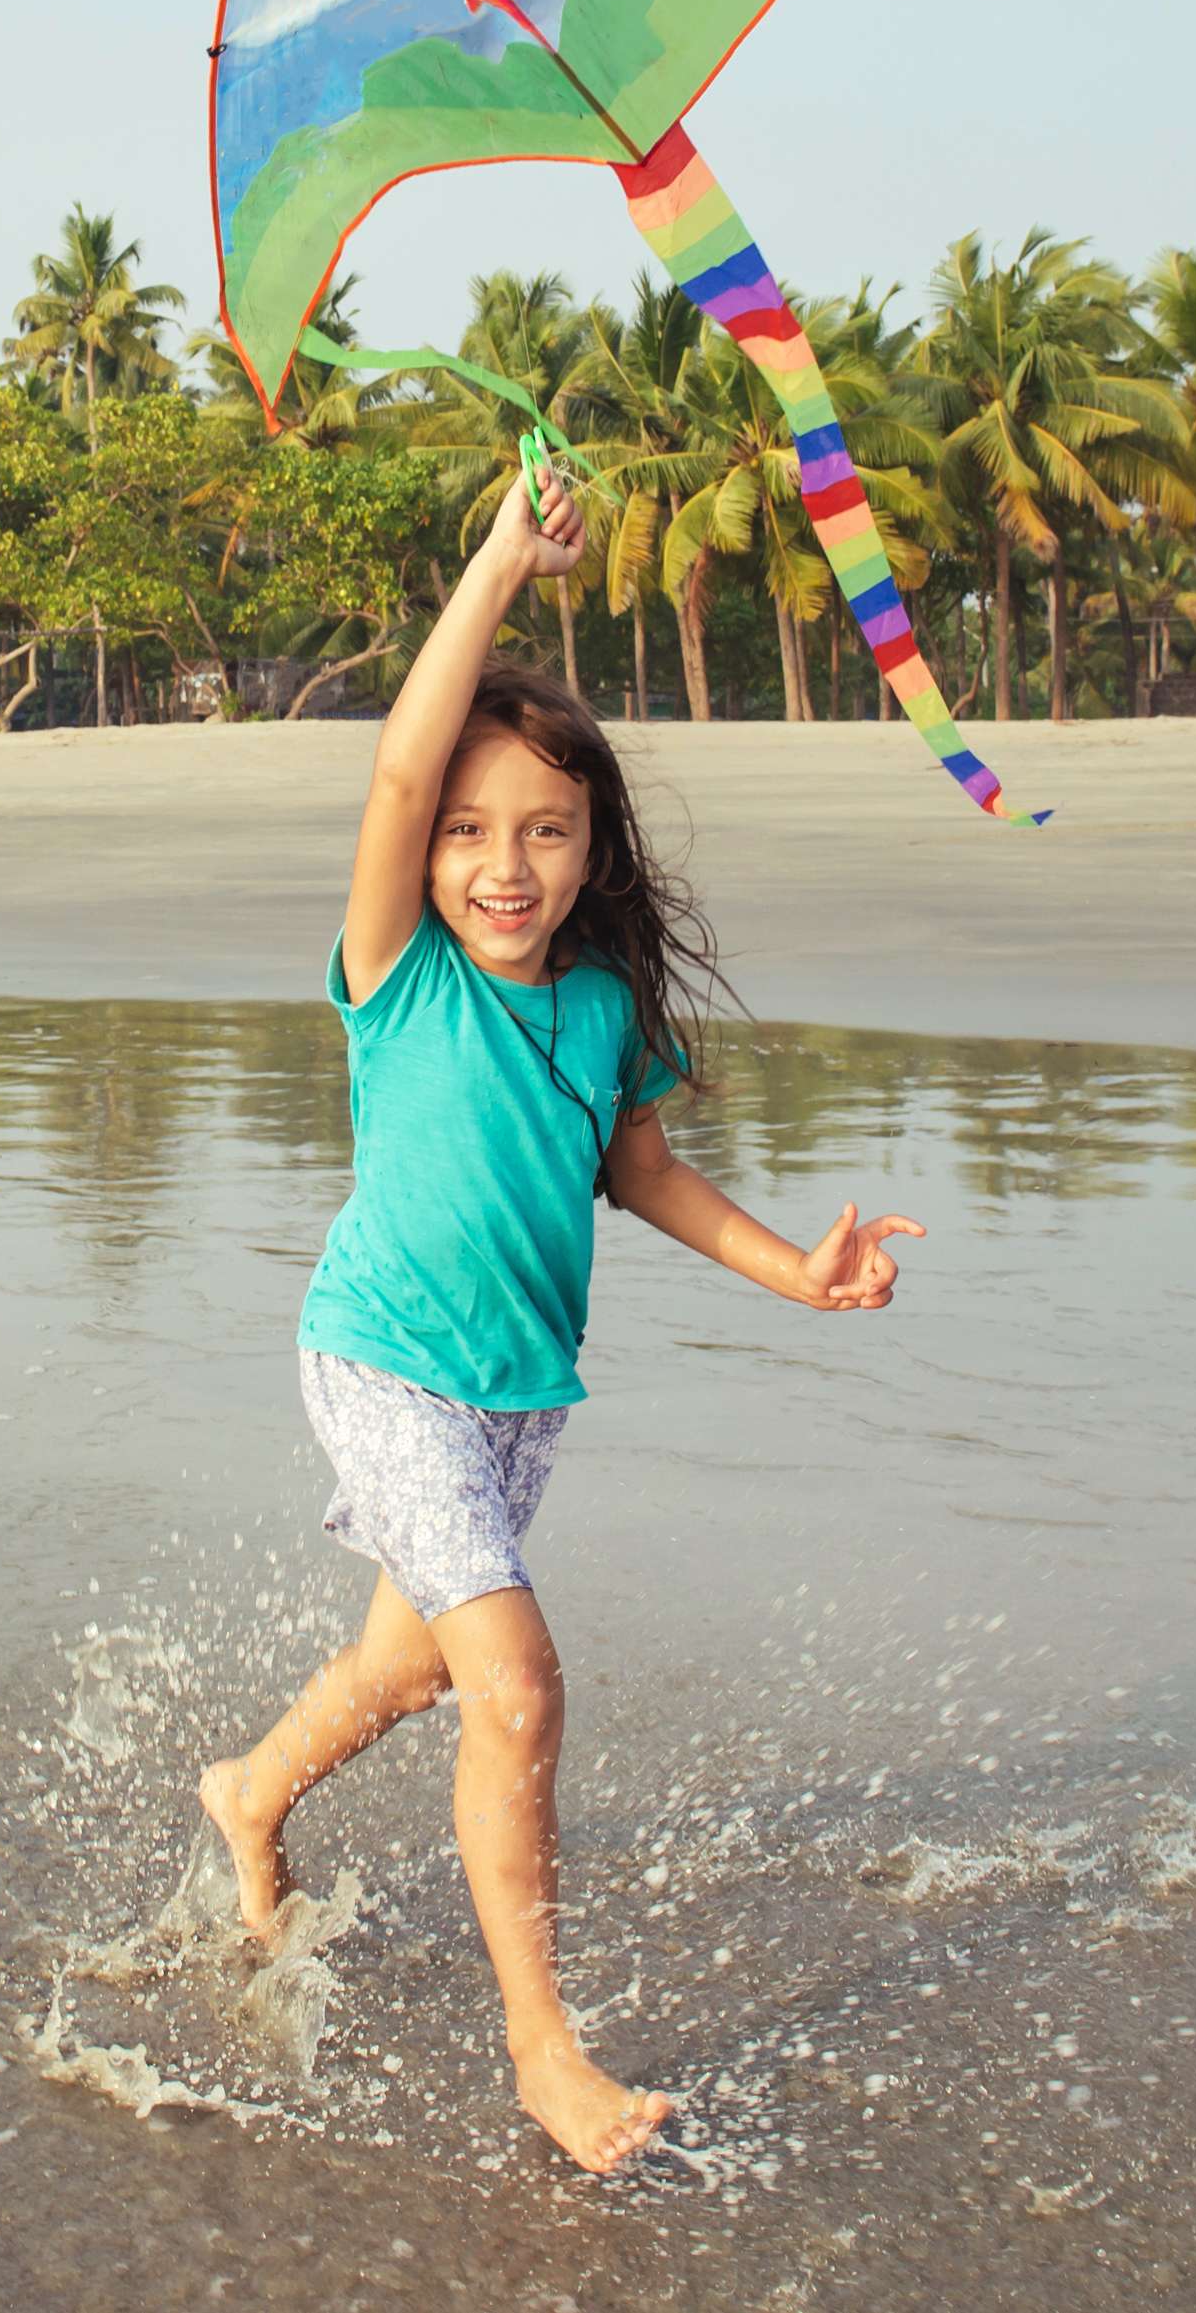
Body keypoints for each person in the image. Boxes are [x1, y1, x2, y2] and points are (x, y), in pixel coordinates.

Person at [193, 458, 924, 2176]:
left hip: (523, 1394)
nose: (500, 866)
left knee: (405, 1665)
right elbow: (392, 764)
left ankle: (247, 1791)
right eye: (467, 831)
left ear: (593, 843)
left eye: (541, 830)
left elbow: (647, 1175)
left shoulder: (600, 1010)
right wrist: (501, 564)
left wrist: (796, 1272)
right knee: (512, 1679)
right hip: (380, 1360)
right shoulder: (398, 972)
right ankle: (543, 2050)